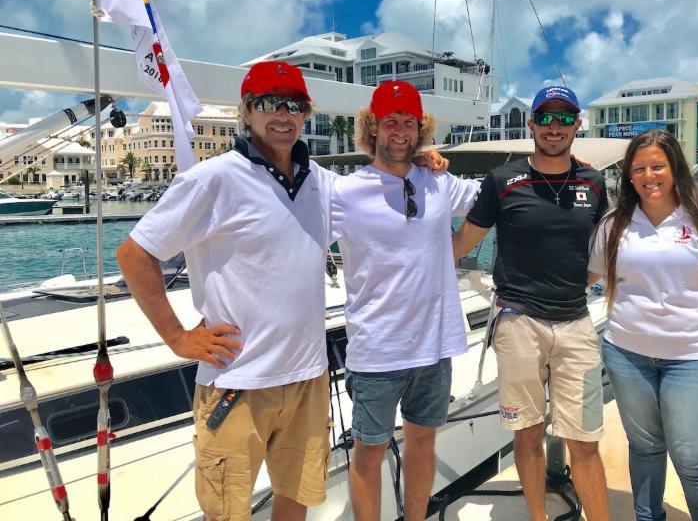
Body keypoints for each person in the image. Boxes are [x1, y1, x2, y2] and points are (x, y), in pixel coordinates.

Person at [117, 61, 335, 521]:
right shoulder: (213, 178)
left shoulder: (321, 181)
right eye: (270, 104)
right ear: (247, 112)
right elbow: (136, 255)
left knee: (296, 499)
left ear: (305, 113)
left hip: (306, 378)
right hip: (238, 382)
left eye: (293, 104)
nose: (283, 114)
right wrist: (178, 338)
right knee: (227, 513)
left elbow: (380, 188)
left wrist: (420, 158)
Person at [452, 85, 610, 521]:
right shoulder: (503, 181)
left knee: (584, 440)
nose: (554, 127)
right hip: (518, 320)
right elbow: (463, 242)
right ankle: (536, 517)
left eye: (564, 118)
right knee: (527, 431)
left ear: (577, 124)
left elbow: (605, 250)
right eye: (546, 117)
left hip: (576, 322)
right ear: (532, 124)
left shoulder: (594, 182)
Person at [330, 80, 479, 521]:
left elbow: (495, 198)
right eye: (390, 122)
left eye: (408, 123)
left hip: (433, 346)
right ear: (372, 127)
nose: (399, 131)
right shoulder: (343, 192)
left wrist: (459, 246)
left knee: (422, 443)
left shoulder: (438, 182)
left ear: (420, 129)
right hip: (376, 351)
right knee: (368, 454)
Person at [587, 129, 698, 521]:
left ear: (675, 167)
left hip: (696, 359)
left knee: (694, 461)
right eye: (639, 168)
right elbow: (583, 276)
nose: (649, 176)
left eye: (657, 166)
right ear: (628, 176)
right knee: (644, 449)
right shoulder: (616, 223)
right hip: (627, 355)